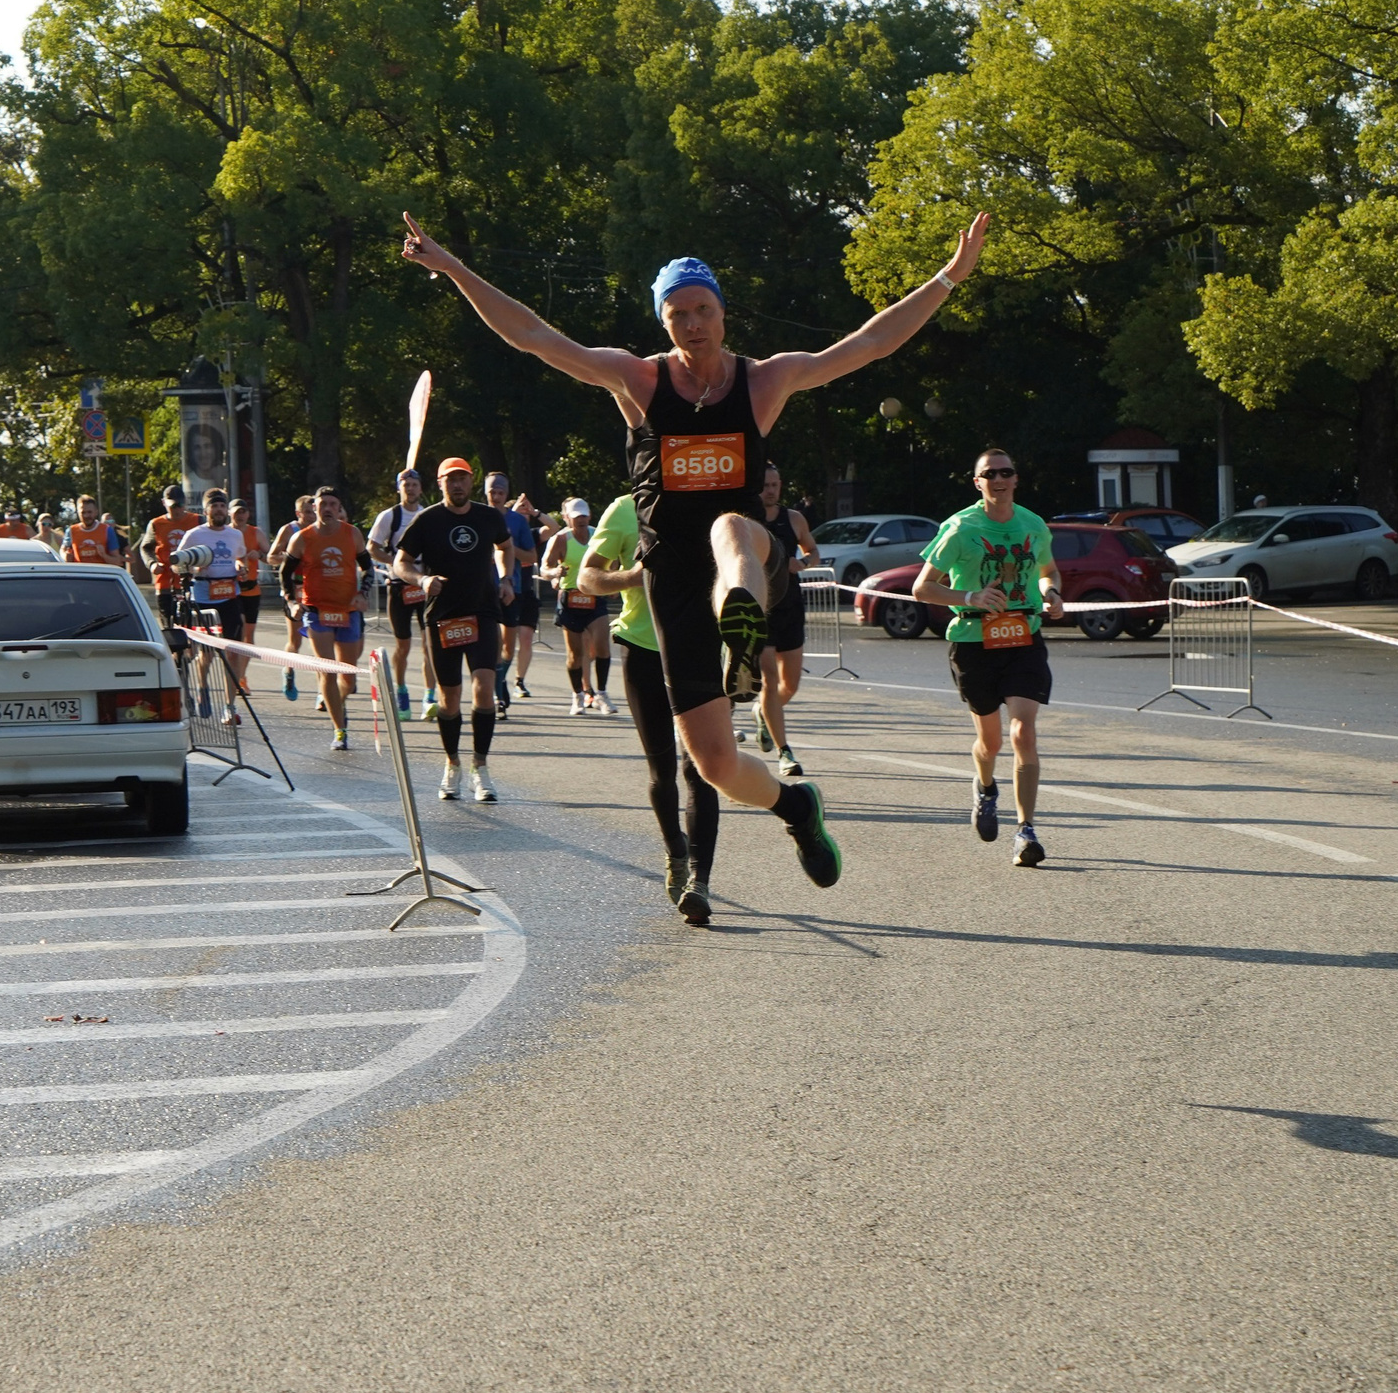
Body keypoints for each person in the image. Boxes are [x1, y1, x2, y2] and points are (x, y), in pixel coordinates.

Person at [399, 208, 991, 891]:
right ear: (663, 323)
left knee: (729, 528)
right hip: (671, 579)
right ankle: (797, 805)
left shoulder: (764, 380)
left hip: (747, 555)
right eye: (677, 314)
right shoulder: (639, 382)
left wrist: (949, 275)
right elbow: (534, 335)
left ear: (723, 313)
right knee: (713, 763)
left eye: (703, 309)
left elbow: (867, 344)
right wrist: (450, 268)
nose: (693, 324)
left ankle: (740, 617)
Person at [911, 447, 1065, 867]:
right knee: (990, 741)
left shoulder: (1033, 524)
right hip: (973, 642)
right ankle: (984, 786)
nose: (999, 479)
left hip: (1024, 639)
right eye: (989, 474)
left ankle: (1026, 831)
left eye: (1006, 472)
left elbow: (1049, 569)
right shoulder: (961, 528)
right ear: (977, 482)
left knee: (1022, 733)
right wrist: (970, 596)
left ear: (1016, 478)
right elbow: (922, 588)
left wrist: (1051, 592)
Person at [581, 492, 719, 924]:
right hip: (643, 649)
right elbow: (586, 578)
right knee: (662, 772)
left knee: (700, 768)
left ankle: (700, 882)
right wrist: (634, 577)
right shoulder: (624, 509)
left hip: (700, 647)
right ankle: (676, 853)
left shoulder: (713, 501)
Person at [392, 457, 517, 803]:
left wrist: (506, 577)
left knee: (484, 688)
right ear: (440, 483)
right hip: (443, 617)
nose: (457, 485)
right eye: (451, 480)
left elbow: (505, 546)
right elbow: (401, 562)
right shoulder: (427, 519)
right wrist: (422, 579)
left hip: (482, 612)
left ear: (471, 481)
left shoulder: (489, 517)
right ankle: (452, 764)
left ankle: (481, 767)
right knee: (448, 699)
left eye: (462, 479)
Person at [288, 487, 370, 750]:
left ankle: (338, 702)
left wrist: (362, 593)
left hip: (348, 610)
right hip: (317, 611)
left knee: (349, 677)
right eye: (322, 504)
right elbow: (284, 573)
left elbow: (368, 568)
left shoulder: (352, 534)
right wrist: (292, 602)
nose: (327, 508)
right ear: (314, 508)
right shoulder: (302, 538)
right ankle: (339, 730)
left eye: (332, 504)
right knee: (327, 669)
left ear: (338, 508)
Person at [754, 462, 822, 775]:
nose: (770, 491)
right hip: (759, 609)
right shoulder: (745, 520)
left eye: (774, 485)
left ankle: (763, 714)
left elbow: (813, 552)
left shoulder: (793, 519)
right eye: (765, 485)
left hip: (790, 607)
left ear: (781, 486)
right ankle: (785, 753)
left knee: (789, 685)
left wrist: (803, 563)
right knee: (768, 679)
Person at [176, 488, 253, 724]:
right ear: (206, 510)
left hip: (229, 596)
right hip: (203, 599)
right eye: (214, 506)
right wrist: (194, 568)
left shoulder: (234, 535)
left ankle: (230, 707)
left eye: (222, 506)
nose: (219, 510)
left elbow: (239, 557)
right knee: (206, 654)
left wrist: (241, 566)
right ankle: (203, 688)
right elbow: (176, 564)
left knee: (233, 653)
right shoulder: (194, 535)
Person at [540, 499, 616, 715]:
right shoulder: (560, 540)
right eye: (576, 517)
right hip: (571, 597)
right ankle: (578, 697)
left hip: (594, 595)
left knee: (603, 646)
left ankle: (601, 693)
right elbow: (545, 567)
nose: (580, 520)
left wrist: (611, 582)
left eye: (583, 515)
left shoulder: (598, 536)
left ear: (589, 516)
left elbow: (613, 560)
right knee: (575, 654)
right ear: (567, 518)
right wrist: (555, 573)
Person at [366, 468, 430, 718]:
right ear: (399, 488)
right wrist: (395, 562)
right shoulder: (389, 516)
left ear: (420, 488)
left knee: (429, 645)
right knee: (403, 645)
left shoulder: (427, 515)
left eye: (414, 484)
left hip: (424, 585)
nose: (410, 489)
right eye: (406, 485)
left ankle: (429, 696)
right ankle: (402, 691)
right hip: (399, 587)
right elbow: (371, 548)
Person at [482, 472, 540, 709]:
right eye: (491, 492)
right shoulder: (477, 515)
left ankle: (500, 677)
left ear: (506, 494)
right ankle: (497, 693)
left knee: (508, 646)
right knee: (491, 642)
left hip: (510, 588)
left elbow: (532, 556)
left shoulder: (517, 521)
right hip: (484, 589)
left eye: (500, 493)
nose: (495, 497)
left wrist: (507, 548)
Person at [268, 495, 319, 704]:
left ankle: (322, 693)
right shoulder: (289, 530)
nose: (311, 515)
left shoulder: (322, 530)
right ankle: (289, 671)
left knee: (320, 641)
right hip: (294, 590)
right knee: (295, 641)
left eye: (312, 511)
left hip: (316, 589)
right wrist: (292, 558)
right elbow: (271, 556)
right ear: (298, 514)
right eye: (306, 512)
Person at [143, 484, 201, 629]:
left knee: (191, 623)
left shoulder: (197, 521)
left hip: (190, 579)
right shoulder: (156, 524)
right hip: (165, 580)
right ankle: (174, 650)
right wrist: (152, 564)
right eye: (172, 506)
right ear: (164, 503)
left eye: (180, 505)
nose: (177, 509)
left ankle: (191, 649)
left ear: (185, 503)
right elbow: (145, 548)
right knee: (168, 624)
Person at [231, 495, 266, 653]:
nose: (240, 515)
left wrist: (259, 555)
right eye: (237, 512)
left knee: (249, 636)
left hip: (252, 589)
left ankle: (242, 675)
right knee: (238, 631)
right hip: (231, 589)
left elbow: (272, 557)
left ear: (248, 514)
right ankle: (236, 671)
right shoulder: (225, 532)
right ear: (229, 514)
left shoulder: (256, 532)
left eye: (243, 512)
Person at [64, 495, 121, 566]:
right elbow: (63, 550)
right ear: (78, 513)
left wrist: (104, 555)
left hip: (101, 574)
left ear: (96, 512)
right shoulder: (71, 531)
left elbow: (117, 561)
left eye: (89, 512)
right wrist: (65, 556)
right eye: (83, 513)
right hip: (79, 575)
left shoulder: (107, 530)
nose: (86, 516)